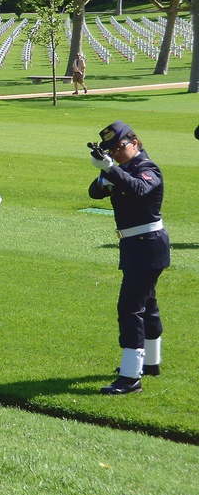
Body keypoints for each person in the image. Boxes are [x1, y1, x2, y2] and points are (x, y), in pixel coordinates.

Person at [88, 121, 169, 395]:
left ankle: (131, 376)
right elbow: (94, 192)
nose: (118, 153)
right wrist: (105, 171)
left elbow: (139, 189)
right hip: (137, 246)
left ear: (136, 143)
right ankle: (151, 362)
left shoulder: (148, 168)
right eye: (113, 150)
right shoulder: (123, 170)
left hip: (147, 245)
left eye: (121, 147)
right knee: (147, 305)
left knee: (130, 309)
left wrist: (110, 169)